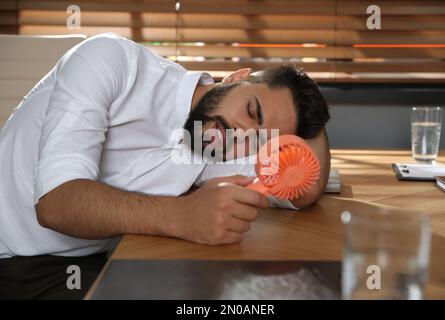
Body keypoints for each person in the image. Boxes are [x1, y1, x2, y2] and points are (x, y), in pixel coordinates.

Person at [0, 33, 330, 299]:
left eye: (259, 139)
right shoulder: (109, 60)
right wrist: (181, 216)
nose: (242, 136)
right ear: (236, 77)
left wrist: (303, 117)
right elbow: (56, 203)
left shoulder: (217, 145)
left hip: (88, 258)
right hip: (16, 258)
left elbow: (307, 188)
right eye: (253, 111)